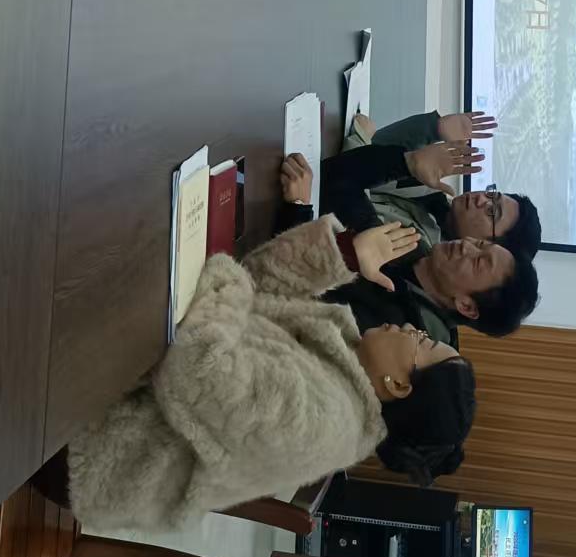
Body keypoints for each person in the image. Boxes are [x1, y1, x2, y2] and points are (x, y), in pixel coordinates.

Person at [32, 215, 477, 533]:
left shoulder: (324, 423)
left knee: (55, 261)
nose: (414, 329)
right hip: (126, 371)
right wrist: (344, 253)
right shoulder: (345, 352)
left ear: (399, 385)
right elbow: (259, 285)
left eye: (423, 343)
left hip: (89, 445)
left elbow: (199, 363)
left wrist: (226, 282)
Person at [278, 151, 540, 347]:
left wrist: (298, 210)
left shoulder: (400, 334)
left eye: (478, 262)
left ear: (467, 306)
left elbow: (291, 314)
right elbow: (338, 184)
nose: (466, 246)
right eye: (480, 244)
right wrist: (407, 163)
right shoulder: (412, 248)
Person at [337, 110, 543, 263]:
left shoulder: (418, 249)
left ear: (490, 247)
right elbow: (374, 156)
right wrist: (434, 129)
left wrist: (360, 138)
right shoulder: (435, 197)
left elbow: (344, 184)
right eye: (492, 195)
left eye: (491, 212)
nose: (481, 199)